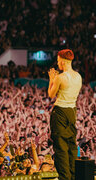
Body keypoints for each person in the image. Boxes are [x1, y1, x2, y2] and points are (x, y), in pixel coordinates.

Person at [48, 49, 82, 180]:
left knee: (61, 147)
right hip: (72, 111)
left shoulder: (60, 77)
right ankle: (74, 176)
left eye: (58, 61)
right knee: (71, 145)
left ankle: (65, 177)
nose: (57, 64)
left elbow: (51, 95)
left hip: (60, 112)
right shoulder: (78, 76)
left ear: (62, 61)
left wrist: (51, 79)